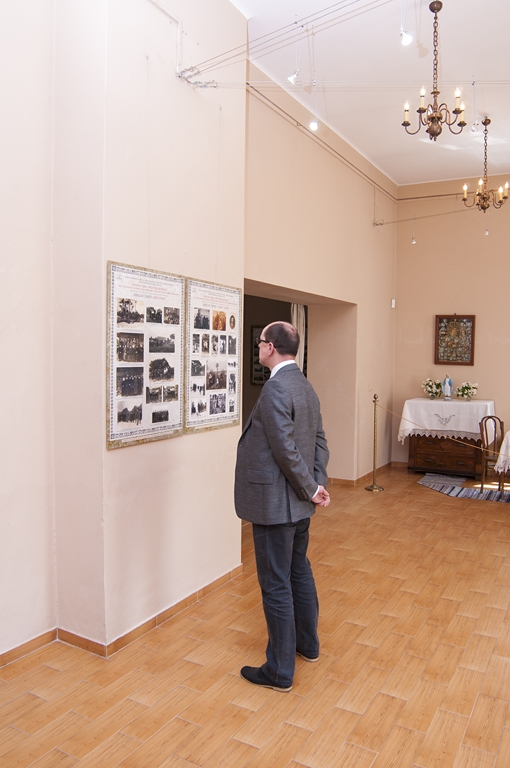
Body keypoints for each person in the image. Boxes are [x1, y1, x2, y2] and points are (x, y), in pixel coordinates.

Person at [234, 321, 330, 692]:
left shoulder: (276, 387)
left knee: (276, 583)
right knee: (298, 571)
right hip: (298, 503)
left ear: (270, 347)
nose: (258, 347)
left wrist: (311, 488)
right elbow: (319, 441)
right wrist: (316, 485)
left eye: (260, 342)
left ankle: (279, 671)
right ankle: (307, 645)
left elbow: (285, 451)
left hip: (277, 504)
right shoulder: (305, 385)